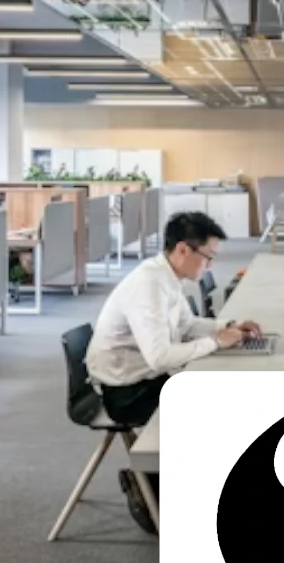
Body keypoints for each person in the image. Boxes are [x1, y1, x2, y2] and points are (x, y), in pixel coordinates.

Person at [86, 211, 260, 532]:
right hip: (126, 392)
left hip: (144, 378)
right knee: (217, 408)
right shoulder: (148, 286)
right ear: (182, 250)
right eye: (208, 257)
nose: (210, 265)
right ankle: (178, 493)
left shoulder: (166, 276)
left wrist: (229, 326)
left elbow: (187, 325)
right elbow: (160, 357)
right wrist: (216, 342)